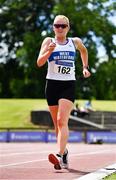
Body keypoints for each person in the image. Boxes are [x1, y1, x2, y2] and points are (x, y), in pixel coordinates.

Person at [37, 15, 91, 170]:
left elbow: (84, 51)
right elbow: (39, 63)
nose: (59, 28)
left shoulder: (75, 42)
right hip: (52, 85)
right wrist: (48, 51)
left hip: (68, 85)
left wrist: (85, 67)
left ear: (68, 27)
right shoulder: (48, 41)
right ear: (53, 27)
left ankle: (59, 156)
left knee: (62, 121)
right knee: (57, 125)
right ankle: (65, 151)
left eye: (63, 25)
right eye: (57, 25)